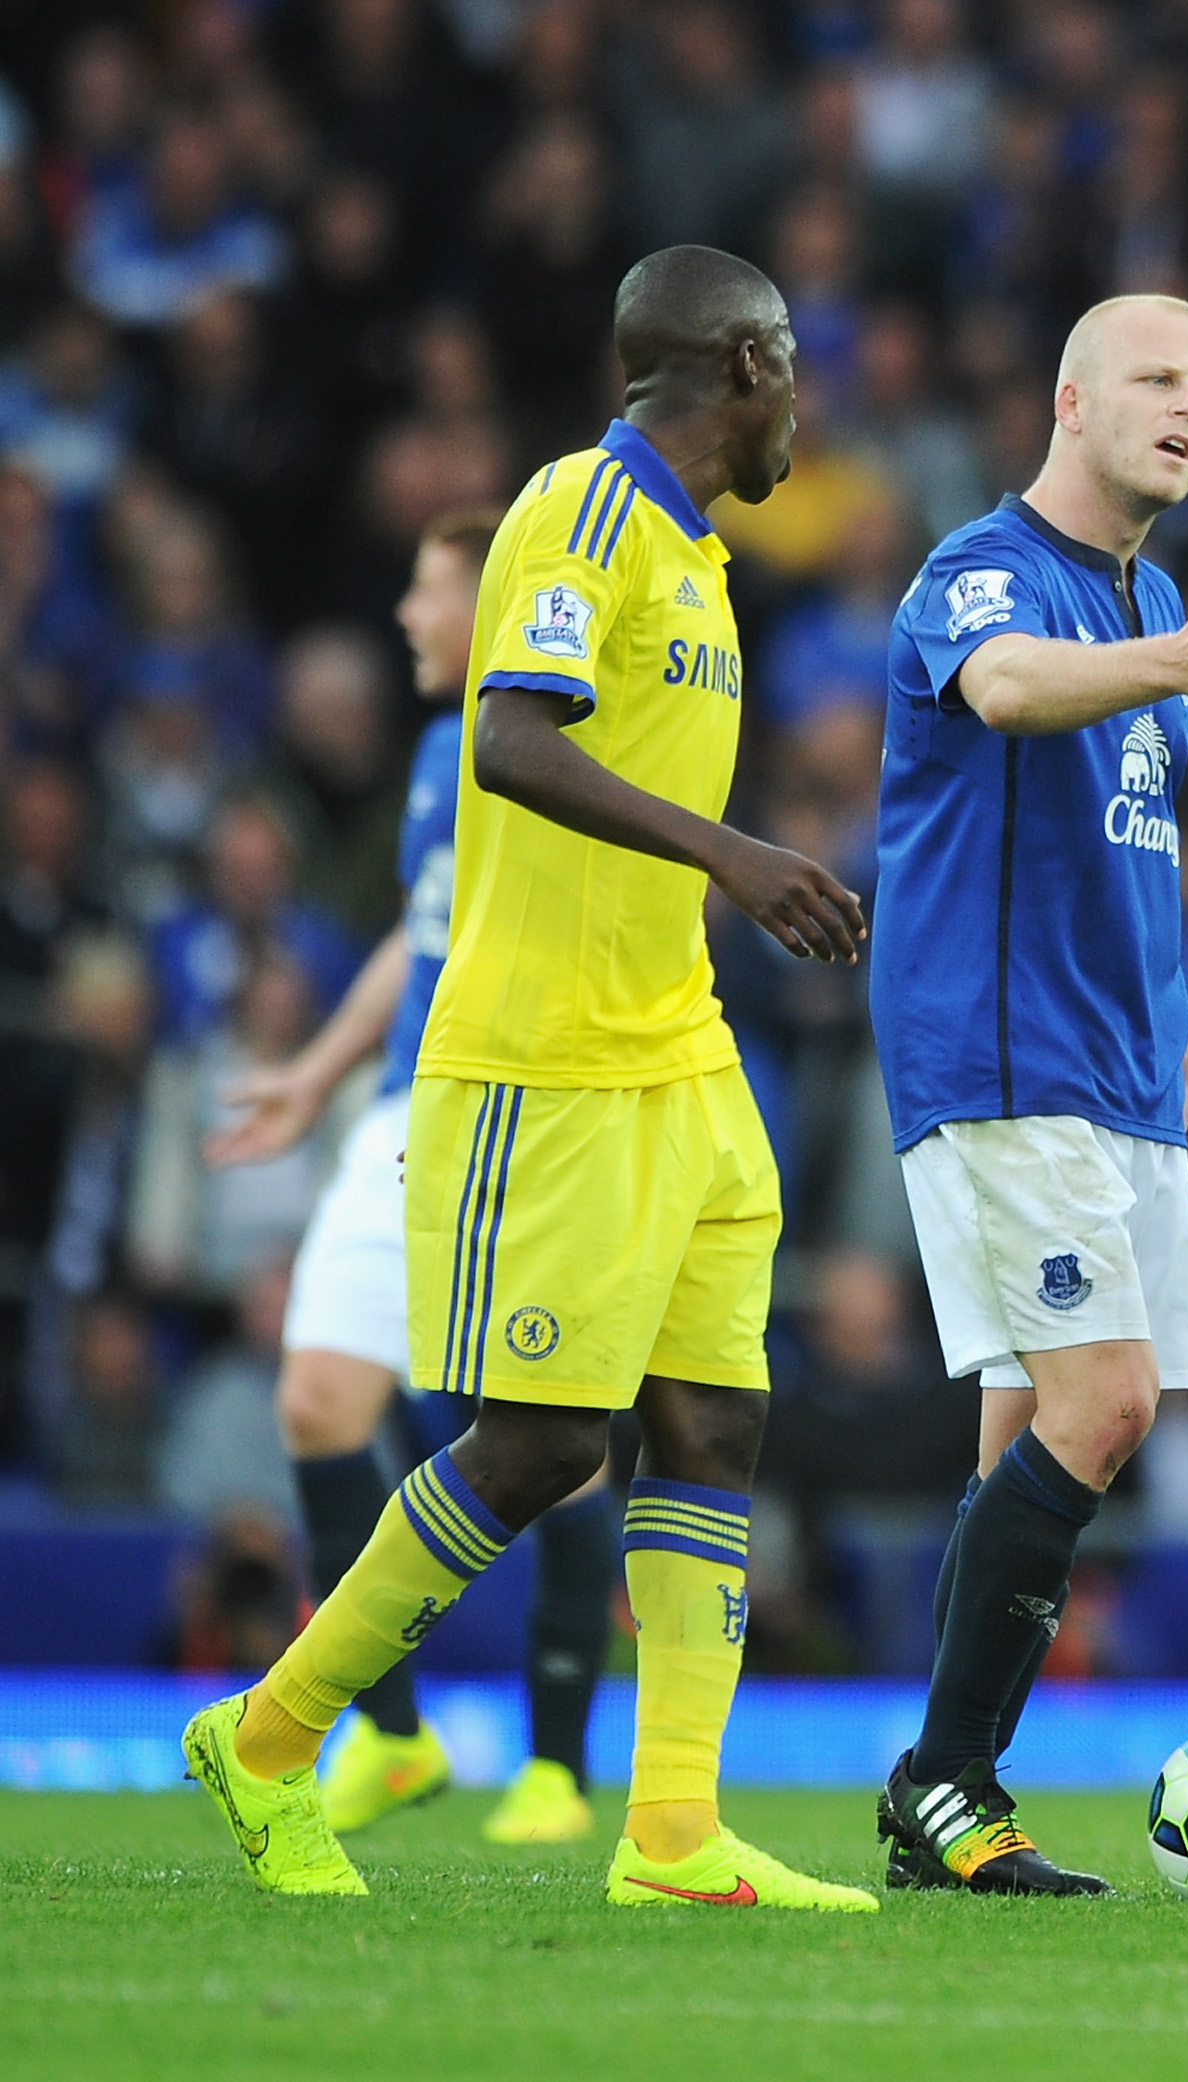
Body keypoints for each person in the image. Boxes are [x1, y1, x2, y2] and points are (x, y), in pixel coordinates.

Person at [180, 245, 874, 1911]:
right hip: (543, 1058)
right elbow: (509, 736)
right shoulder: (579, 511)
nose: (806, 419)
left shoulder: (698, 561)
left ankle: (675, 1830)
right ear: (751, 364)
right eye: (798, 379)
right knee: (546, 1441)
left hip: (679, 1052)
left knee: (716, 1416)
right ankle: (268, 1738)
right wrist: (738, 856)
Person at [868, 293, 1188, 1896]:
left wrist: (1179, 1057)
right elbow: (1001, 691)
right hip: (997, 1056)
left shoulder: (1151, 610)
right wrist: (1171, 656)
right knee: (1102, 1405)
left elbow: (1142, 852)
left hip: (1116, 1070)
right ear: (1069, 397)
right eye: (1154, 378)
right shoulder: (982, 569)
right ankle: (942, 1779)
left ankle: (947, 1807)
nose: (1187, 407)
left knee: (1026, 1439)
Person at [202, 507, 620, 1846]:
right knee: (322, 1398)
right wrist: (318, 1072)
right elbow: (421, 932)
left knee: (553, 1437)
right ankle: (391, 1735)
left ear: (493, 607)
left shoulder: (555, 752)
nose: (403, 617)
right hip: (398, 1112)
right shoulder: (445, 752)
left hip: (510, 1112)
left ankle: (557, 1763)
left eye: (426, 591)